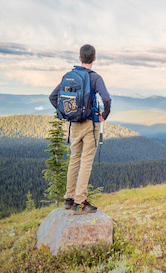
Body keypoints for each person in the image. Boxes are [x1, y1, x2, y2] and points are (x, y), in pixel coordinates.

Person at [49, 44, 111, 214]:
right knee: (86, 162)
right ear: (95, 59)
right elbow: (106, 99)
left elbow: (53, 97)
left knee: (74, 159)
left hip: (74, 124)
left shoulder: (69, 76)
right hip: (90, 124)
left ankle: (68, 199)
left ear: (80, 58)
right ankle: (80, 202)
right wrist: (104, 115)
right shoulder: (95, 78)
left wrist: (66, 113)